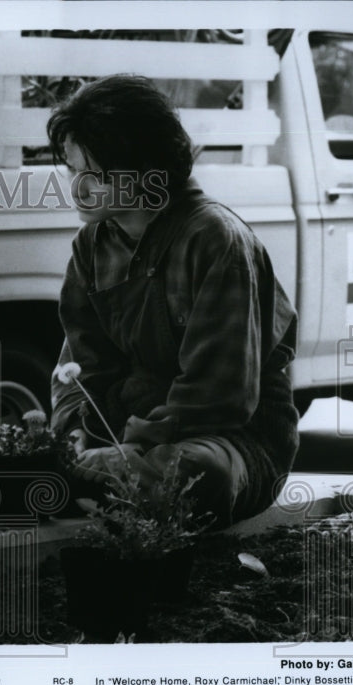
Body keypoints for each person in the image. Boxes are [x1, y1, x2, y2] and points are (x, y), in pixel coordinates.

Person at [47, 75, 300, 529]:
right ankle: (83, 478)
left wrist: (125, 447)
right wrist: (75, 437)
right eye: (71, 170)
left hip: (230, 442)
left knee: (202, 474)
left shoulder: (216, 240)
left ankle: (76, 483)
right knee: (34, 453)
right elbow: (78, 374)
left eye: (96, 174)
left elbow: (219, 395)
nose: (78, 189)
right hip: (119, 443)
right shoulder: (91, 247)